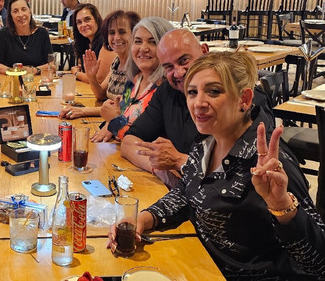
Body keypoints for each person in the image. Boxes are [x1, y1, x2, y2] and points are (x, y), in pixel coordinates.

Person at [108, 52, 325, 279]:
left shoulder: (271, 162)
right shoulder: (205, 143)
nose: (199, 103)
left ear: (244, 99)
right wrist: (143, 219)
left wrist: (283, 208)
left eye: (213, 91)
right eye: (192, 92)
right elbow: (186, 193)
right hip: (204, 266)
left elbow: (320, 265)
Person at [120, 28, 275, 187]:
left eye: (184, 60)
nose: (178, 73)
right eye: (168, 67)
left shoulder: (244, 97)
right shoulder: (167, 92)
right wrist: (161, 170)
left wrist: (181, 162)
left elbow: (253, 169)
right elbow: (128, 143)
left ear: (204, 51)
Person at [90, 17, 174, 142]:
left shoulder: (167, 90)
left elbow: (143, 140)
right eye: (138, 41)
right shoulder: (134, 80)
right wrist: (110, 124)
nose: (143, 48)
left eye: (153, 42)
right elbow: (121, 116)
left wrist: (114, 122)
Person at [61, 10, 139, 122]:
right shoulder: (117, 62)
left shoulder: (136, 66)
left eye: (122, 32)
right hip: (109, 120)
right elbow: (101, 95)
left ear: (134, 34)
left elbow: (124, 107)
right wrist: (91, 76)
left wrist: (83, 111)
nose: (116, 37)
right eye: (112, 33)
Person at [0, 0, 52, 72]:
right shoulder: (4, 33)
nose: (20, 15)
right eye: (15, 11)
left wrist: (35, 70)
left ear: (30, 11)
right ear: (10, 16)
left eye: (24, 9)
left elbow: (51, 64)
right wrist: (15, 71)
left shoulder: (42, 33)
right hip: (11, 77)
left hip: (37, 78)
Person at [70, 3, 115, 84]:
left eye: (87, 19)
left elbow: (99, 80)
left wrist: (76, 73)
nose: (83, 25)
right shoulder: (85, 43)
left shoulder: (106, 42)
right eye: (79, 22)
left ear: (97, 20)